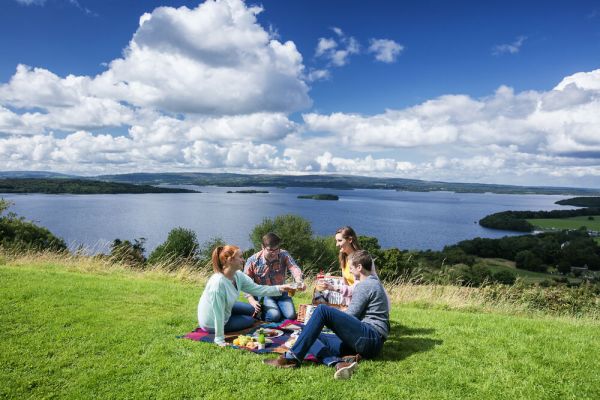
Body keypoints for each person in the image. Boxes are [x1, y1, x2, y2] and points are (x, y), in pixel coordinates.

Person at [264, 250, 390, 380]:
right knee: (308, 334)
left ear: (359, 267)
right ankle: (338, 363)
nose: (350, 271)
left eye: (351, 268)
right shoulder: (372, 283)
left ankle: (292, 358)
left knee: (322, 310)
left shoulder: (366, 285)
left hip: (370, 338)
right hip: (366, 341)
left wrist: (331, 316)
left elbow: (352, 316)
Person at [197, 245, 294, 346]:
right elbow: (218, 313)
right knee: (250, 320)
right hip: (211, 322)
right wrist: (219, 340)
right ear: (229, 260)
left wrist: (281, 288)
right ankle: (228, 322)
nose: (243, 260)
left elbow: (258, 289)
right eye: (240, 257)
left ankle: (233, 316)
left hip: (226, 308)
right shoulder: (217, 284)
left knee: (252, 310)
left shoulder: (237, 275)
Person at [244, 232, 306, 322]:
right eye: (270, 250)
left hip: (282, 292)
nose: (274, 253)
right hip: (265, 294)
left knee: (291, 315)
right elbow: (245, 282)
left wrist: (299, 281)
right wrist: (251, 300)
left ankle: (277, 313)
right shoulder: (253, 261)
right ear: (263, 247)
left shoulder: (283, 254)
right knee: (274, 316)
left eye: (276, 249)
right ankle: (262, 314)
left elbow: (294, 268)